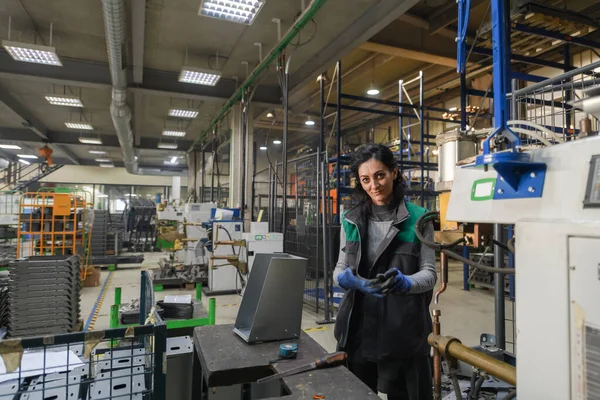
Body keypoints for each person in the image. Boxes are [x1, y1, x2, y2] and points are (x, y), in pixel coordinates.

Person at [333, 143, 436, 400]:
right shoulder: (350, 219)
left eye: (380, 175)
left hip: (404, 331)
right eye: (365, 179)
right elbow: (340, 269)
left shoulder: (420, 219)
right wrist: (349, 281)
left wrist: (406, 283)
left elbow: (430, 273)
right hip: (358, 329)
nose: (374, 186)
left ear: (394, 172)